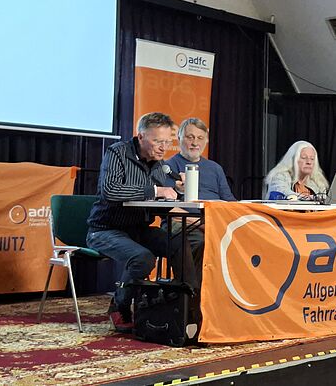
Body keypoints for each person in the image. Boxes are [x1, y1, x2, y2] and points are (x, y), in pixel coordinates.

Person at [86, 112, 196, 333]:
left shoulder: (159, 165)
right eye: (158, 141)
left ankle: (188, 304)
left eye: (167, 142)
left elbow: (157, 203)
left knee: (179, 242)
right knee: (142, 258)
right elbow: (110, 191)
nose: (163, 148)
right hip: (105, 230)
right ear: (141, 137)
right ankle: (120, 306)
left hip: (139, 229)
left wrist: (177, 193)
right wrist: (156, 191)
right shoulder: (117, 152)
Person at [163, 117, 236, 283]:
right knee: (202, 243)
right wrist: (202, 223)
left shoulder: (215, 169)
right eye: (190, 137)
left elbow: (229, 202)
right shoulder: (167, 167)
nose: (195, 142)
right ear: (179, 138)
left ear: (206, 141)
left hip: (213, 222)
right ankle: (193, 293)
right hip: (182, 222)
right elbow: (166, 208)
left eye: (200, 138)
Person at [264, 140, 329, 200]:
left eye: (312, 159)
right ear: (293, 160)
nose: (309, 162)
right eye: (304, 158)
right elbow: (283, 193)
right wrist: (309, 198)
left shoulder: (318, 182)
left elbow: (325, 200)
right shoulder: (280, 176)